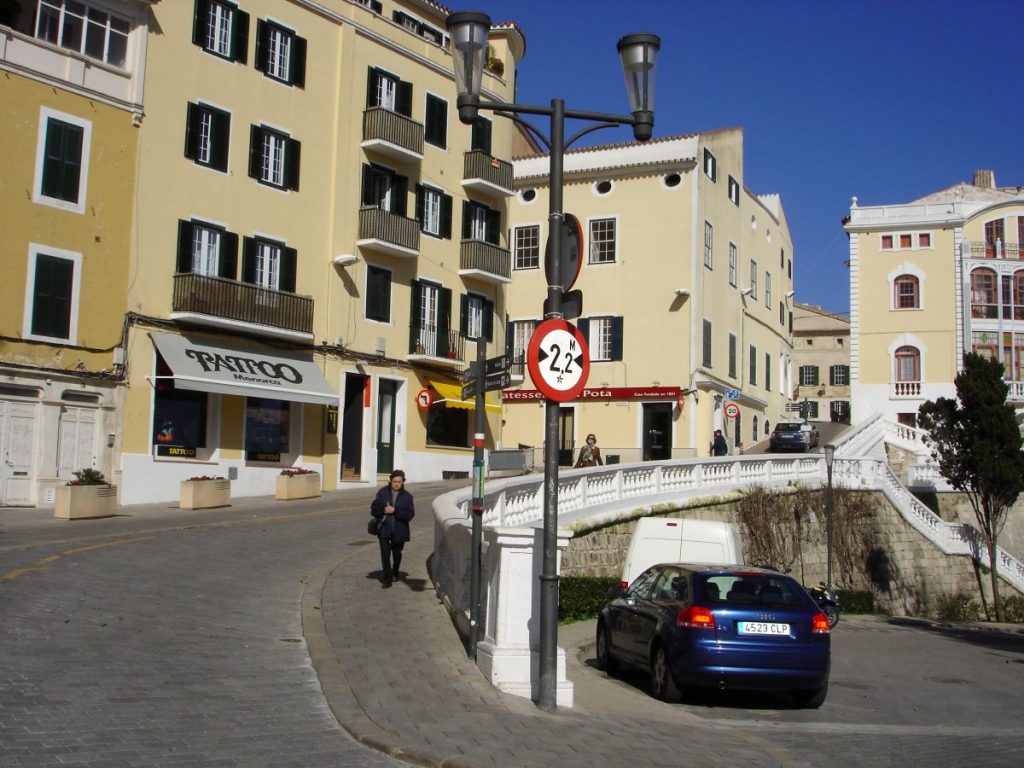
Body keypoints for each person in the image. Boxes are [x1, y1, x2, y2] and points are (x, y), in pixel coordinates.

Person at [370, 469, 415, 588]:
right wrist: (383, 509)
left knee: (396, 554)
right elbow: (374, 509)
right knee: (385, 555)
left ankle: (395, 571)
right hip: (384, 528)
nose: (396, 484)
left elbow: (409, 514)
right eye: (394, 481)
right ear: (390, 481)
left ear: (403, 482)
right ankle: (387, 580)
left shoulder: (407, 497)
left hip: (399, 530)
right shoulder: (382, 492)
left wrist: (395, 511)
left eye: (399, 482)